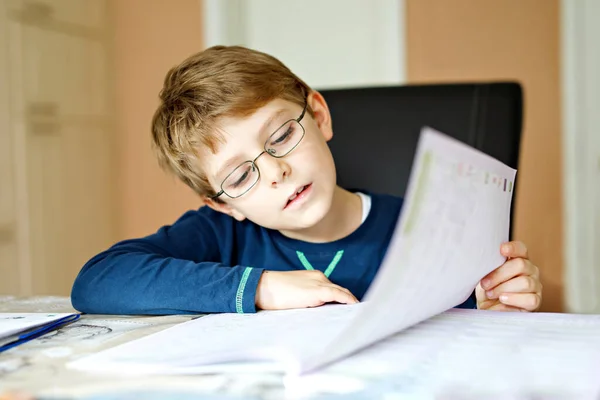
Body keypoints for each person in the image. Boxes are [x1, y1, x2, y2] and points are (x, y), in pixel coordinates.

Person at [71, 46, 542, 315]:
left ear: (318, 116)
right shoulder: (223, 235)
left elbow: (473, 330)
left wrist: (496, 307)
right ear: (222, 203)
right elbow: (97, 281)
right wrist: (261, 288)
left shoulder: (425, 227)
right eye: (239, 176)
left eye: (279, 136)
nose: (276, 172)